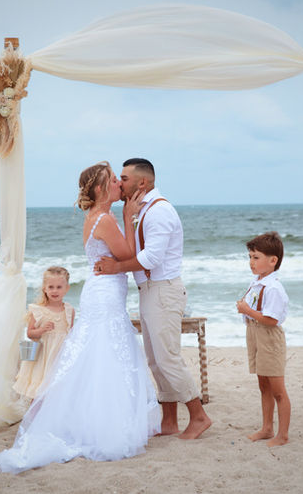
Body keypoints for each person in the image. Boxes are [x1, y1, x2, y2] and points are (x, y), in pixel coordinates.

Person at [0, 162, 160, 475]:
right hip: (104, 295)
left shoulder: (96, 217)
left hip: (103, 291)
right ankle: (103, 423)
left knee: (100, 355)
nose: (120, 183)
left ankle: (97, 415)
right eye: (113, 180)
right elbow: (129, 255)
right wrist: (128, 218)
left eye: (120, 178)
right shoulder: (104, 218)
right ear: (99, 189)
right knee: (105, 354)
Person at [94, 158, 212, 440]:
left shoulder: (160, 211)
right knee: (155, 360)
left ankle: (199, 416)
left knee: (168, 358)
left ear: (142, 183)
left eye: (123, 178)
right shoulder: (140, 209)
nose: (119, 183)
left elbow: (152, 257)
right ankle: (169, 420)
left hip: (163, 290)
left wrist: (117, 267)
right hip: (149, 291)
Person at [236, 231, 291, 447]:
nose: (251, 262)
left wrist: (247, 310)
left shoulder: (274, 287)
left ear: (272, 260)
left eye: (256, 257)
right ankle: (267, 428)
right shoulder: (257, 282)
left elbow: (270, 320)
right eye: (250, 257)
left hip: (268, 337)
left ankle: (283, 434)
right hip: (255, 335)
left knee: (278, 390)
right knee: (264, 386)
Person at [12, 266, 75, 401]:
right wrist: (42, 330)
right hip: (43, 356)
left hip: (60, 355)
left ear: (66, 288)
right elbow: (30, 334)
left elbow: (72, 334)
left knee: (58, 388)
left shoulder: (70, 310)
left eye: (59, 287)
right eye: (51, 287)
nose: (54, 291)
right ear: (44, 288)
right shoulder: (39, 310)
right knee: (40, 389)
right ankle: (35, 416)